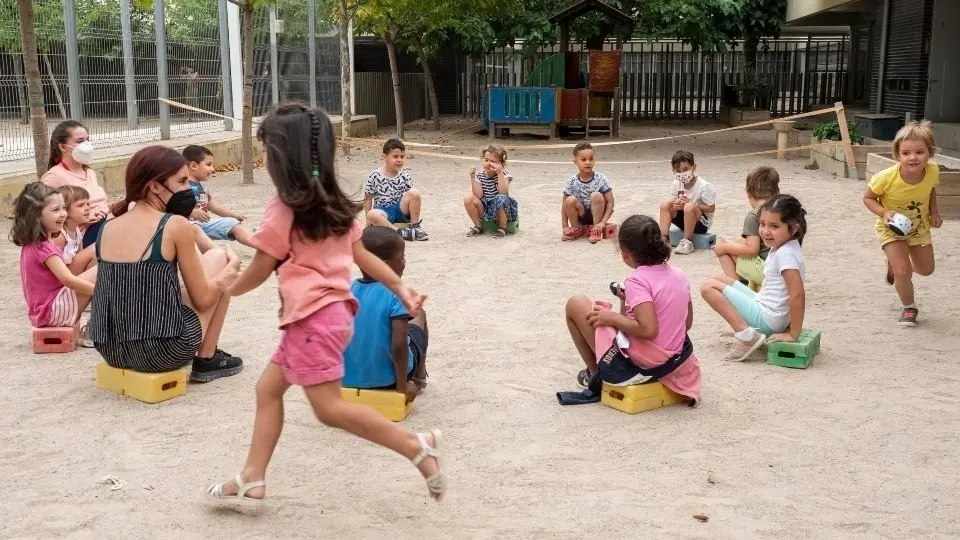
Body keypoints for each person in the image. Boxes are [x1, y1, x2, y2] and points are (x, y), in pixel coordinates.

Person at [205, 104, 445, 509]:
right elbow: (364, 256)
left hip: (312, 321)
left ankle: (416, 446)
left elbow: (262, 267)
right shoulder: (333, 201)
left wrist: (224, 287)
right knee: (268, 390)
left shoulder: (284, 208)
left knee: (329, 409)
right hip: (327, 316)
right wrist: (399, 287)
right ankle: (252, 477)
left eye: (267, 153)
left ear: (282, 159)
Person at [87, 145, 244, 381]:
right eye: (181, 182)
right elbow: (203, 299)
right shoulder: (174, 225)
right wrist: (229, 273)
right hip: (163, 352)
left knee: (211, 260)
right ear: (155, 186)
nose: (187, 189)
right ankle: (207, 359)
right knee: (221, 260)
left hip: (110, 350)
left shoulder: (108, 226)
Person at [563, 215, 700, 402]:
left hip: (644, 363)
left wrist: (611, 318)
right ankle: (597, 371)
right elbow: (687, 324)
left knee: (576, 303)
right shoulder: (679, 275)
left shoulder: (637, 280)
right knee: (605, 317)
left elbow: (648, 330)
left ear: (625, 255)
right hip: (673, 358)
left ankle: (596, 375)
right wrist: (624, 302)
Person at [700, 195, 807, 361]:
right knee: (719, 279)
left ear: (793, 228)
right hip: (766, 308)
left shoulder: (786, 255)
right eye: (763, 224)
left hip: (767, 319)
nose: (766, 231)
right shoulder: (785, 247)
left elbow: (797, 294)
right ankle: (746, 328)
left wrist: (793, 334)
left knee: (707, 288)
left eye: (774, 226)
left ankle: (746, 335)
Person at [862, 120, 941, 327]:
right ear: (898, 154)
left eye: (919, 152)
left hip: (919, 228)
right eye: (906, 153)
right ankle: (909, 307)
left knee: (926, 269)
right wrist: (884, 212)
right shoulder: (885, 177)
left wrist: (934, 212)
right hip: (891, 229)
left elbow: (931, 188)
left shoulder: (933, 171)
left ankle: (894, 265)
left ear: (929, 152)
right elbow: (868, 198)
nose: (913, 157)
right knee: (903, 271)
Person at [343, 226, 429, 394]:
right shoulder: (396, 294)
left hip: (347, 379)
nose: (404, 262)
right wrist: (402, 387)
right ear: (385, 265)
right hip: (388, 381)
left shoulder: (347, 290)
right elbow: (399, 346)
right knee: (420, 315)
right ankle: (418, 375)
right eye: (402, 258)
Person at [10, 182, 97, 330]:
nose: (63, 213)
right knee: (104, 266)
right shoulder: (44, 247)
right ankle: (98, 326)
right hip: (53, 313)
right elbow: (68, 280)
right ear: (36, 215)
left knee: (102, 263)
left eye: (63, 208)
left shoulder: (36, 243)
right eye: (56, 210)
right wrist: (102, 291)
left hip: (46, 312)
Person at [41, 120, 110, 249]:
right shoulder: (54, 177)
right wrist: (81, 220)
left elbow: (100, 203)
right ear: (62, 147)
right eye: (79, 141)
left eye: (87, 139)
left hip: (104, 223)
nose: (86, 145)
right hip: (81, 237)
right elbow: (40, 214)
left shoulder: (89, 172)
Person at [713, 166, 780, 284]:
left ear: (749, 193)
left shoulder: (754, 215)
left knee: (723, 249)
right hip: (779, 266)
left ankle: (737, 289)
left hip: (765, 270)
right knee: (738, 242)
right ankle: (743, 281)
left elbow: (752, 250)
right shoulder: (779, 207)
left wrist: (723, 247)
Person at [182, 145, 256, 249]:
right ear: (193, 165)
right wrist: (190, 211)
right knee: (195, 227)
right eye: (208, 164)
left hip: (203, 225)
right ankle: (219, 256)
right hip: (185, 228)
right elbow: (171, 206)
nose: (213, 169)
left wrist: (233, 215)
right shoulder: (181, 184)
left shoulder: (202, 186)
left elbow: (214, 206)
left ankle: (265, 247)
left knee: (233, 223)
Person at [364, 139, 428, 241]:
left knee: (414, 193)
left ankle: (415, 227)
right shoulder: (374, 175)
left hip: (400, 209)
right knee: (371, 214)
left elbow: (411, 197)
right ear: (384, 157)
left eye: (402, 157)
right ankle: (400, 232)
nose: (399, 160)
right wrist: (368, 220)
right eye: (395, 156)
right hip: (383, 211)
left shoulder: (404, 175)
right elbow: (367, 198)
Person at [658, 150, 716, 255]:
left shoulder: (703, 186)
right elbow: (673, 200)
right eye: (678, 171)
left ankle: (687, 242)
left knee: (689, 206)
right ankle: (663, 239)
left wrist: (693, 204)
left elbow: (711, 208)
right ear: (673, 171)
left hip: (701, 223)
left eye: (685, 169)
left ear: (693, 167)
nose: (682, 173)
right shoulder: (676, 183)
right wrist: (677, 202)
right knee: (665, 204)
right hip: (684, 220)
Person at [561, 142, 616, 244]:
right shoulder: (571, 181)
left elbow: (610, 202)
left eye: (591, 159)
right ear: (575, 162)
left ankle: (595, 230)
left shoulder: (601, 179)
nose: (588, 162)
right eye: (583, 159)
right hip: (580, 214)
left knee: (596, 195)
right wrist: (565, 226)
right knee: (569, 200)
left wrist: (602, 223)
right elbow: (564, 205)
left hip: (597, 215)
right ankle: (577, 229)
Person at [463, 144, 519, 238]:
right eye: (486, 160)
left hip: (504, 211)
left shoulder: (504, 175)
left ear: (500, 164)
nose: (488, 163)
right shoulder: (481, 176)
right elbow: (478, 195)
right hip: (487, 211)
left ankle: (502, 227)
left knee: (500, 198)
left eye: (493, 161)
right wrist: (472, 178)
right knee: (468, 198)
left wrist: (499, 173)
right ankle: (478, 226)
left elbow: (503, 192)